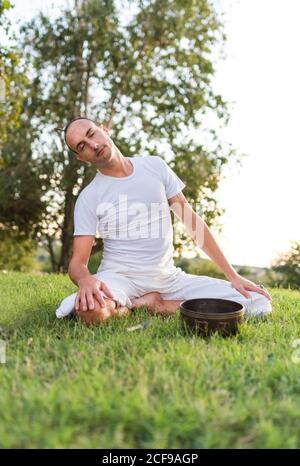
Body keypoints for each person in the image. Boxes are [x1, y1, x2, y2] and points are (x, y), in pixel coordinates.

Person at [55, 117, 272, 324]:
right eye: (82, 146)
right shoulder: (89, 196)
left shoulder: (155, 167)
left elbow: (192, 222)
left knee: (258, 302)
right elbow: (78, 262)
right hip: (119, 278)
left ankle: (159, 305)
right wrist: (86, 280)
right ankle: (141, 304)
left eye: (92, 133)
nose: (92, 144)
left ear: (104, 129)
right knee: (91, 312)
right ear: (81, 157)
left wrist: (233, 276)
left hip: (168, 279)